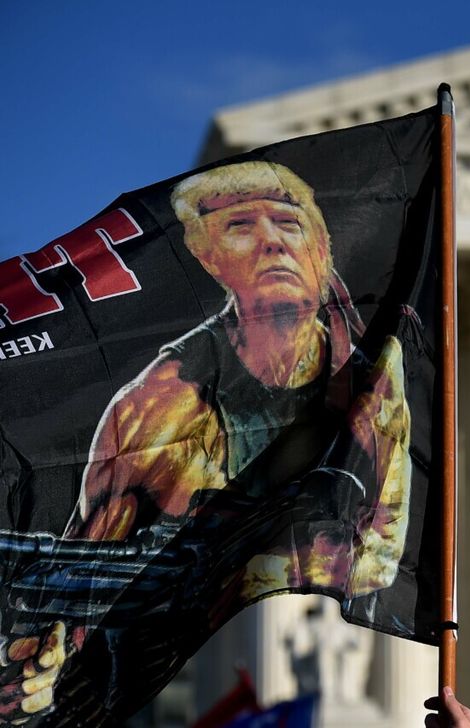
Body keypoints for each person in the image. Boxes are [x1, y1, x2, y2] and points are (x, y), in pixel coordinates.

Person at [0, 161, 413, 723]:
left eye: (289, 224)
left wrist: (271, 560)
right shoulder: (159, 406)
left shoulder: (370, 385)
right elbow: (87, 583)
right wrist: (46, 668)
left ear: (321, 248)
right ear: (210, 259)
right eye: (241, 226)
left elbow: (383, 555)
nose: (272, 242)